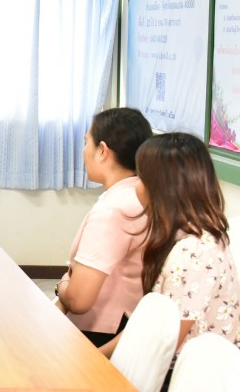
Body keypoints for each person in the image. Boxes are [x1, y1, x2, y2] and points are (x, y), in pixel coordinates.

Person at [100, 132, 240, 366]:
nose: (136, 186)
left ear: (162, 188)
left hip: (192, 373)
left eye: (141, 178)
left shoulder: (195, 252)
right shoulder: (186, 235)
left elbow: (164, 343)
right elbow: (145, 327)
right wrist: (99, 356)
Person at [55, 108, 153, 346]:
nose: (83, 151)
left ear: (102, 151)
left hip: (104, 333)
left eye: (86, 142)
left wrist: (62, 285)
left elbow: (79, 300)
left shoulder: (113, 211)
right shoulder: (141, 193)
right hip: (132, 326)